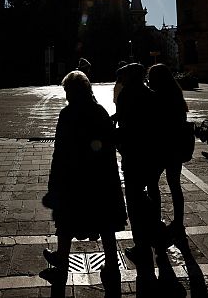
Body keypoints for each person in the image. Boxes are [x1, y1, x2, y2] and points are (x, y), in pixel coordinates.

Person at [39, 71, 126, 296]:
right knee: (105, 223)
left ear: (73, 92)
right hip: (100, 178)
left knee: (66, 221)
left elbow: (60, 152)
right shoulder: (100, 111)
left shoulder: (67, 114)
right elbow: (110, 144)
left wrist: (53, 184)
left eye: (68, 91)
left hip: (74, 178)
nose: (66, 96)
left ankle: (61, 264)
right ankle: (112, 266)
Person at [114, 62, 167, 288]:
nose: (121, 80)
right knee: (152, 194)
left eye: (123, 76)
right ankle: (157, 234)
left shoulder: (127, 94)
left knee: (134, 200)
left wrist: (113, 134)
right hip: (153, 156)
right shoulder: (151, 94)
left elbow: (126, 125)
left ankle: (140, 245)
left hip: (134, 156)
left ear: (130, 77)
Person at [146, 63, 189, 237]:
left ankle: (156, 219)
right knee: (174, 185)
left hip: (160, 148)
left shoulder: (156, 97)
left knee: (152, 184)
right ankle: (178, 221)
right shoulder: (176, 94)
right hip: (176, 147)